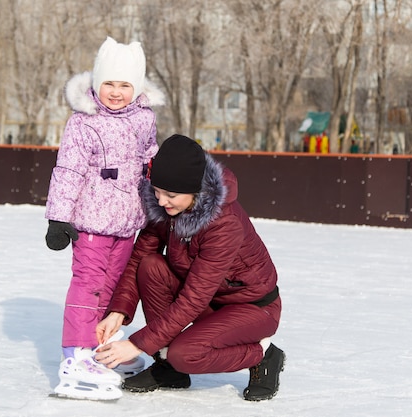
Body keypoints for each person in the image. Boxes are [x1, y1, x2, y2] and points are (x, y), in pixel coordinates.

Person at [94, 134, 285, 401]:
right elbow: (139, 258)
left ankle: (263, 354)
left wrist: (138, 344)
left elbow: (193, 299)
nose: (161, 201)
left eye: (171, 195)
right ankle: (168, 369)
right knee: (151, 266)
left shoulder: (223, 224)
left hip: (252, 308)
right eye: (157, 192)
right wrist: (118, 310)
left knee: (185, 354)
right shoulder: (166, 209)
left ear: (195, 191)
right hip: (209, 300)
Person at [44, 37, 165, 401]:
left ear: (137, 87)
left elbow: (152, 163)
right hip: (90, 224)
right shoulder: (84, 122)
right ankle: (76, 355)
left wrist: (159, 205)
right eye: (109, 83)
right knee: (88, 285)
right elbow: (68, 170)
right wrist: (58, 217)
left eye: (125, 84)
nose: (116, 92)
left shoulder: (145, 119)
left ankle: (103, 345)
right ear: (97, 84)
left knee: (114, 288)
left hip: (128, 223)